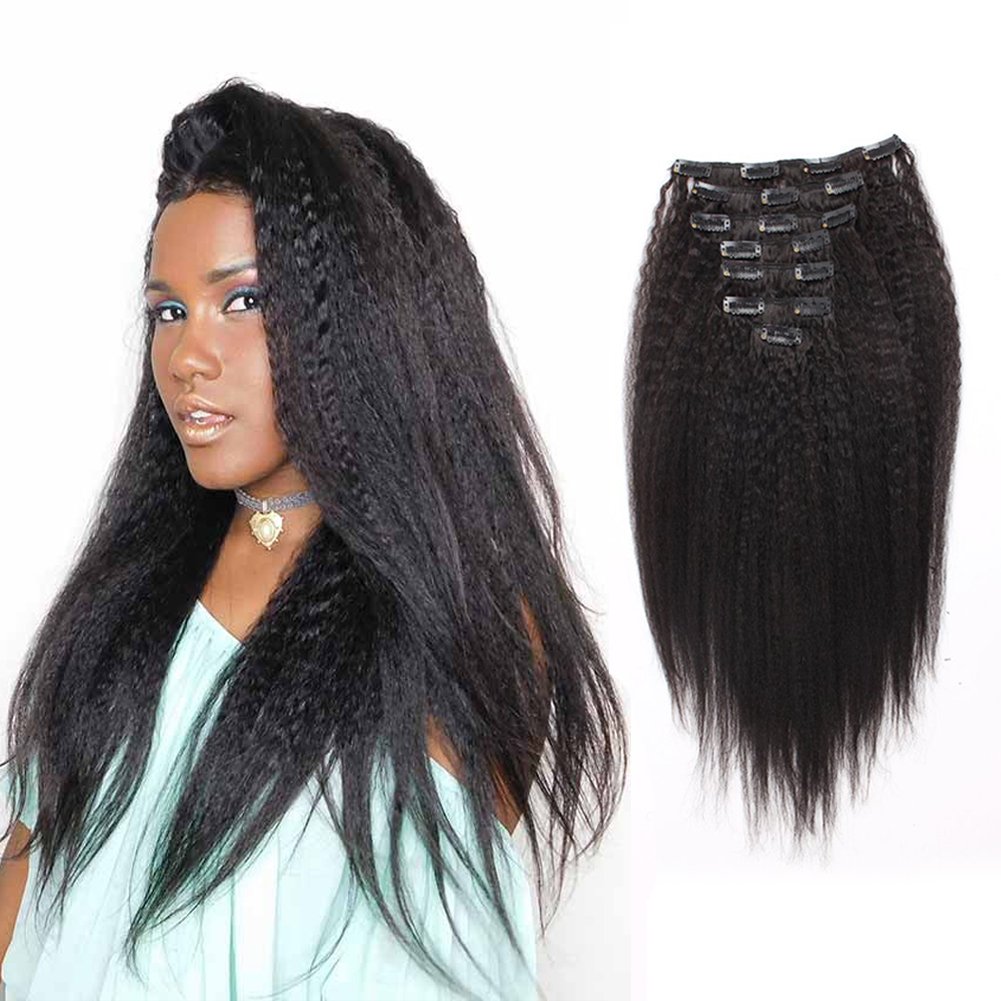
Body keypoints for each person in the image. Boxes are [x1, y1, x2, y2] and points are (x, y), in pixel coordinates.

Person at [0, 78, 627, 1000]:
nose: (186, 357)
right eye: (168, 311)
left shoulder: (462, 624)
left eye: (242, 300)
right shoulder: (127, 599)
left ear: (362, 314)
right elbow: (31, 896)